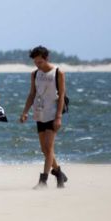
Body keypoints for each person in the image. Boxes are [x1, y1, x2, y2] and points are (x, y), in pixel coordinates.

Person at [19, 46, 69, 189]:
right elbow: (32, 94)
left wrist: (58, 117)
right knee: (44, 150)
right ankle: (59, 174)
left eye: (40, 62)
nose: (37, 65)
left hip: (52, 114)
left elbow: (61, 98)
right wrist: (25, 112)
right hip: (39, 113)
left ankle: (43, 181)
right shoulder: (35, 74)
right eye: (35, 62)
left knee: (49, 147)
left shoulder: (58, 73)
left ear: (46, 59)